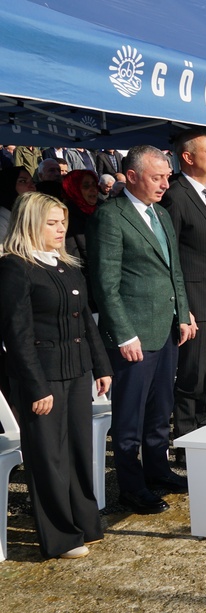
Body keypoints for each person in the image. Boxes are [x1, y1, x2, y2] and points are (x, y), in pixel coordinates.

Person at [0, 192, 112, 559]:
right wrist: (36, 386)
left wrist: (101, 367)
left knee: (79, 450)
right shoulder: (16, 267)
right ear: (31, 223)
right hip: (42, 378)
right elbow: (17, 335)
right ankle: (61, 536)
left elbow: (86, 323)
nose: (60, 228)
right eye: (51, 222)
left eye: (62, 221)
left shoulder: (66, 265)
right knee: (49, 458)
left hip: (77, 371)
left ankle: (85, 522)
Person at [86, 145, 195, 515]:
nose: (165, 183)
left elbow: (173, 270)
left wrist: (183, 312)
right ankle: (131, 487)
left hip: (165, 329)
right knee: (129, 417)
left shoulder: (161, 215)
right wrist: (123, 333)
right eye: (157, 177)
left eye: (167, 176)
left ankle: (158, 470)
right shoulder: (110, 217)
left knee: (159, 408)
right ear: (131, 176)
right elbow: (105, 283)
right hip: (133, 335)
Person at [159, 129, 206, 439]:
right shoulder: (175, 196)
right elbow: (170, 255)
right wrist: (182, 307)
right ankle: (188, 438)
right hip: (194, 304)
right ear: (187, 157)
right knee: (193, 376)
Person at [61, 169, 99, 266]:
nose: (93, 189)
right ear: (73, 189)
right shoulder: (66, 217)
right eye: (86, 186)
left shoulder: (102, 210)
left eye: (94, 185)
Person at [0, 166, 38, 241]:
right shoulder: (2, 220)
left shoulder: (35, 214)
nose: (32, 186)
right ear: (9, 184)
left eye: (32, 182)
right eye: (23, 181)